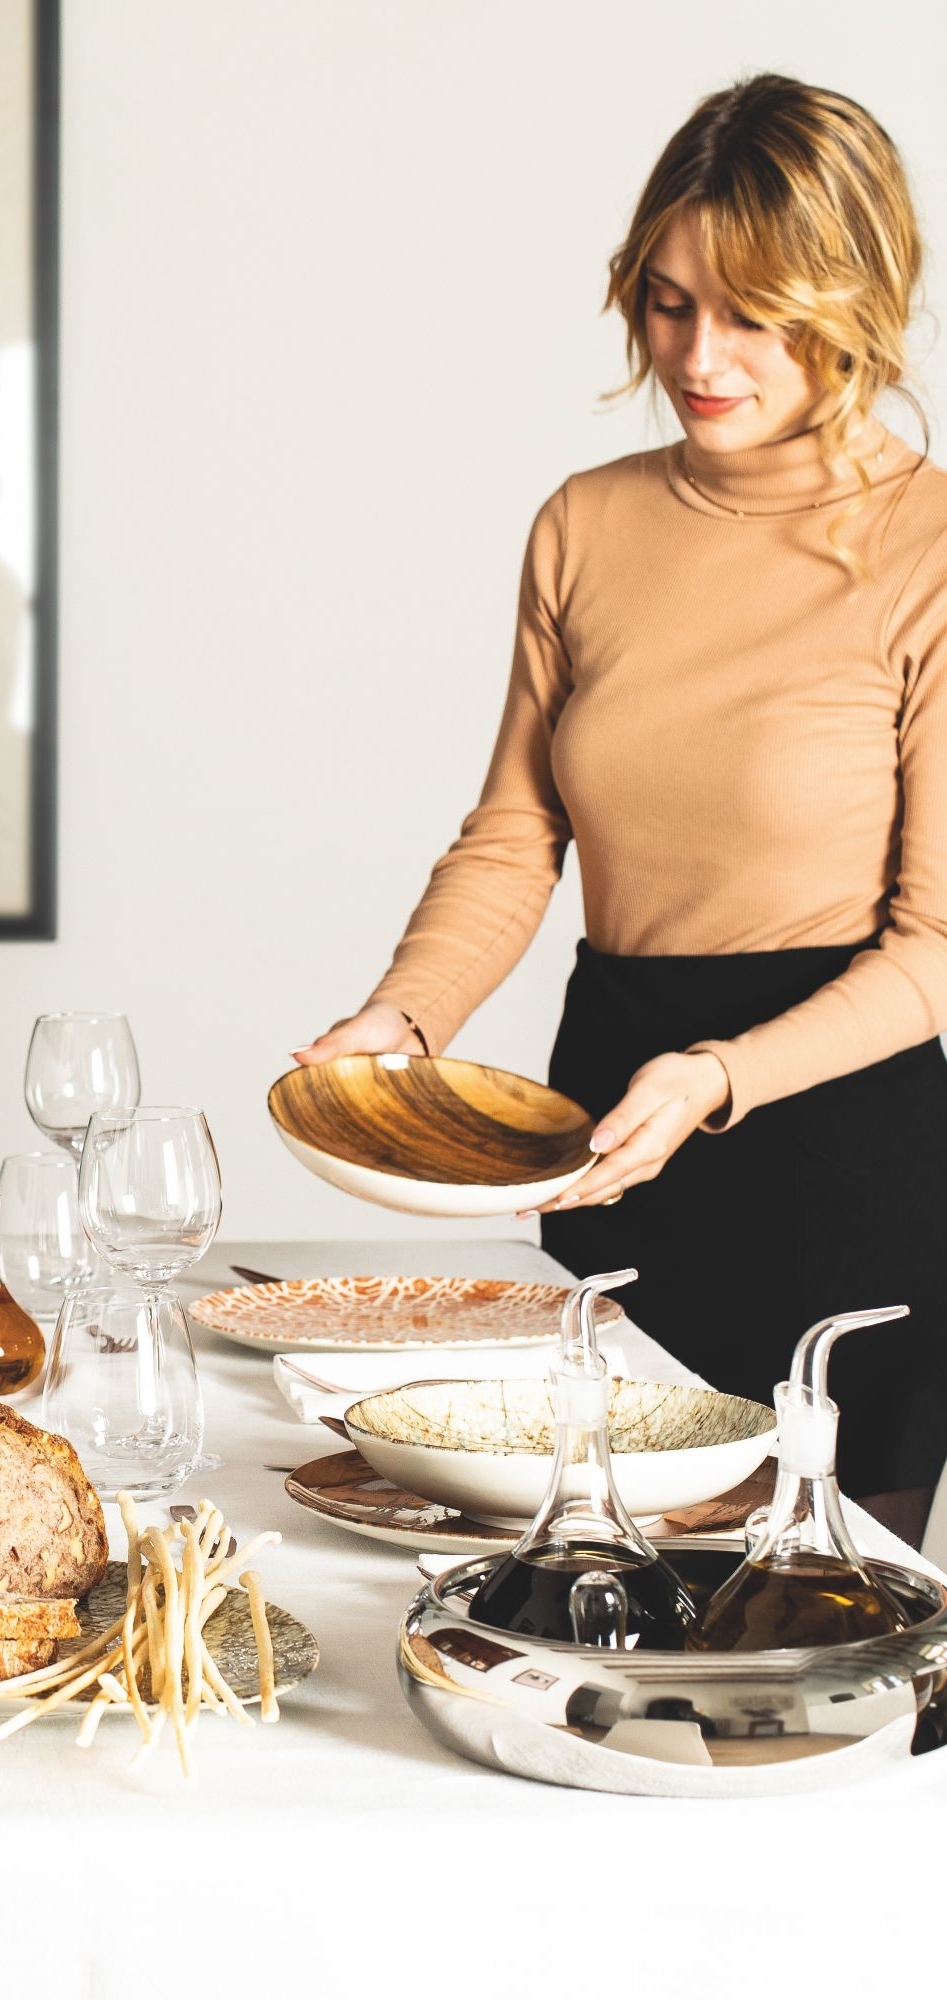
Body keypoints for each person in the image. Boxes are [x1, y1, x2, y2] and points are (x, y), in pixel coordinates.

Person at [295, 74, 947, 1542]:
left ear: (849, 301)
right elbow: (514, 834)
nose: (697, 357)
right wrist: (401, 1023)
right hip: (604, 1125)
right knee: (572, 1605)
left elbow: (933, 946)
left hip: (839, 1159)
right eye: (666, 303)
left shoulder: (930, 549)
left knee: (804, 1639)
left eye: (754, 315)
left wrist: (717, 1077)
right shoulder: (584, 523)